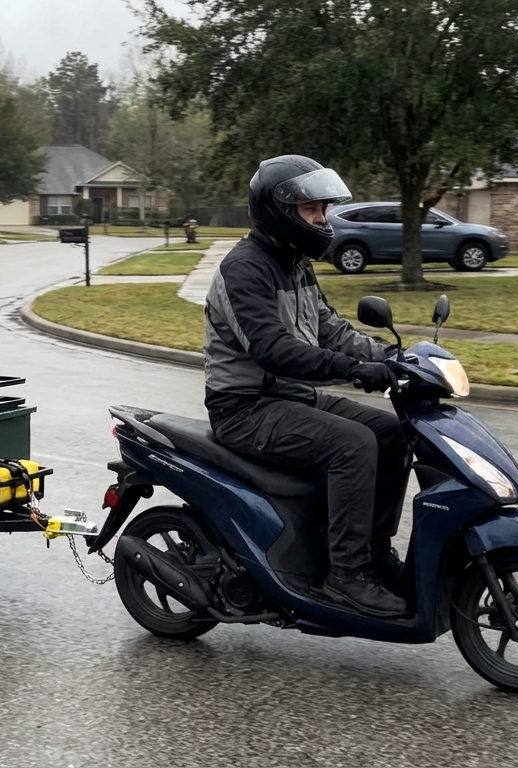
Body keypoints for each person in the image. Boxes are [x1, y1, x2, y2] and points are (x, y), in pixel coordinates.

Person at [203, 154, 410, 617]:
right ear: (280, 210)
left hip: (290, 398)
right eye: (313, 210)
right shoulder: (245, 269)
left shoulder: (295, 262)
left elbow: (329, 328)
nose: (323, 219)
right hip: (244, 408)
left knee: (393, 434)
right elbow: (273, 350)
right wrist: (352, 371)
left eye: (324, 209)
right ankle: (347, 575)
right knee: (353, 445)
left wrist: (393, 356)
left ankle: (374, 555)